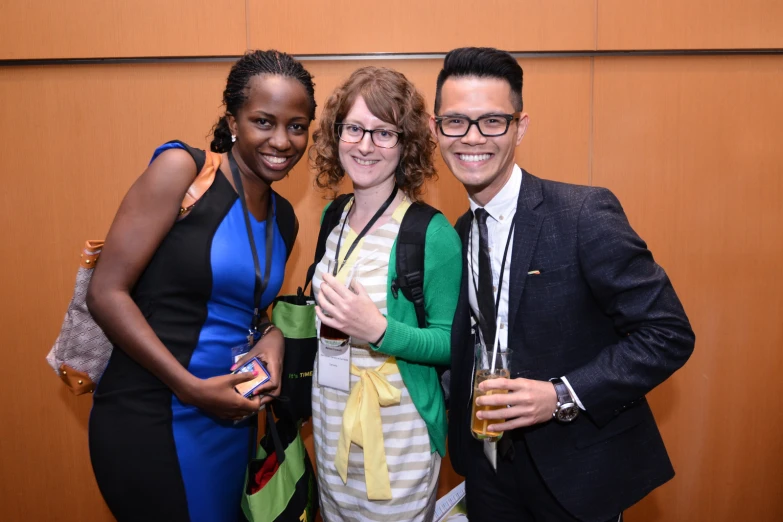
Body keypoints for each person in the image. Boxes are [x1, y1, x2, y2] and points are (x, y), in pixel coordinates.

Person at [432, 47, 696, 522]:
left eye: (492, 121)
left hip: (578, 470)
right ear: (436, 130)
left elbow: (668, 334)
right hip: (487, 466)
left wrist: (560, 395)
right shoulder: (458, 234)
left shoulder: (582, 214)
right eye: (455, 122)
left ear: (521, 126)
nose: (472, 138)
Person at [86, 50, 316, 522]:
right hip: (150, 413)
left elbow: (246, 310)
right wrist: (190, 389)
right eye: (263, 122)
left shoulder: (285, 217)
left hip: (228, 421)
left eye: (297, 126)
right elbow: (105, 293)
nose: (282, 140)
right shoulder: (182, 171)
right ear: (233, 120)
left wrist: (272, 336)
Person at [309, 66, 461, 521]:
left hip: (398, 443)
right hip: (331, 426)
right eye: (354, 128)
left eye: (384, 133)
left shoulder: (430, 233)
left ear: (407, 143)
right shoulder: (333, 217)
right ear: (337, 134)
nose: (366, 145)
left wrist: (377, 330)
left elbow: (451, 342)